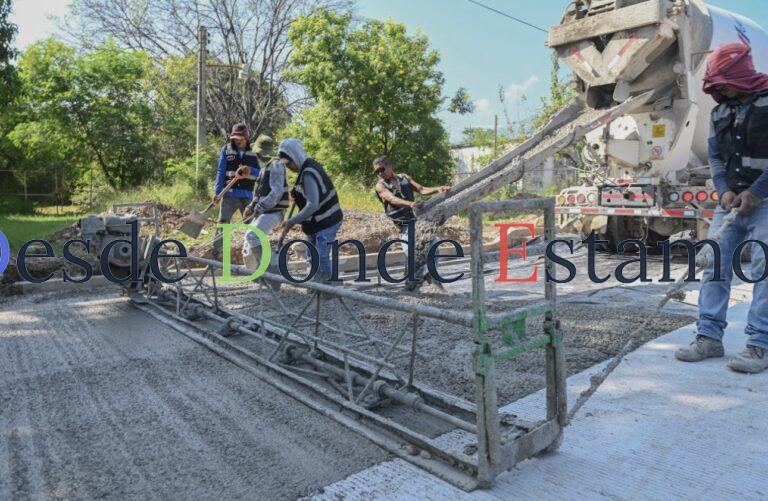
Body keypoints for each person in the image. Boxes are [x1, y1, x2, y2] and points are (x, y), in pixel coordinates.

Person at [675, 42, 768, 374]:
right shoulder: (720, 113)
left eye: (724, 82)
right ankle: (709, 337)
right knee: (714, 265)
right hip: (729, 203)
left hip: (765, 202)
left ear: (741, 75)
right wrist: (724, 189)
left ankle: (759, 345)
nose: (720, 89)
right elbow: (715, 156)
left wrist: (757, 191)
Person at [277, 138, 343, 283]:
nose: (288, 167)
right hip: (316, 222)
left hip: (327, 220)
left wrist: (292, 221)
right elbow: (310, 194)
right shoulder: (306, 169)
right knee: (311, 255)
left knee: (321, 255)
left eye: (288, 163)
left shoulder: (308, 172)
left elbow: (312, 205)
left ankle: (328, 289)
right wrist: (297, 194)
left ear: (295, 156)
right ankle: (317, 284)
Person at [212, 123, 260, 261]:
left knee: (252, 226)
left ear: (246, 138)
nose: (238, 142)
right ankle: (216, 258)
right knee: (222, 224)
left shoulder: (254, 152)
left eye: (240, 139)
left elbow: (260, 174)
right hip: (229, 195)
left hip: (247, 196)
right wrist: (217, 192)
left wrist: (250, 170)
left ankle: (257, 258)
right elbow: (221, 172)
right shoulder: (226, 150)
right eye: (235, 139)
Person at [242, 135, 289, 271]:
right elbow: (259, 193)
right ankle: (256, 271)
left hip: (275, 211)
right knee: (248, 239)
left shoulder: (276, 165)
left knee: (253, 235)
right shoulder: (264, 168)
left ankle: (270, 269)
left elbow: (277, 192)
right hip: (266, 210)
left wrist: (260, 207)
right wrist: (250, 207)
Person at [373, 155, 449, 238]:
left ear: (389, 166)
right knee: (412, 250)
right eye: (377, 172)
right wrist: (410, 204)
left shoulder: (403, 177)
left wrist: (438, 189)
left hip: (418, 221)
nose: (380, 173)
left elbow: (421, 189)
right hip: (404, 226)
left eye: (381, 169)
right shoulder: (380, 186)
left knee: (432, 246)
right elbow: (392, 199)